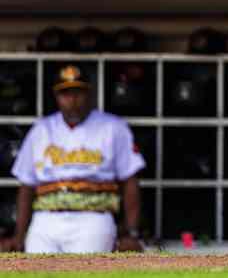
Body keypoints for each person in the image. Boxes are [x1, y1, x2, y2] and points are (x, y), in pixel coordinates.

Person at [5, 65, 145, 253]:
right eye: (65, 94)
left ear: (89, 94)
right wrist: (19, 235)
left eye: (78, 93)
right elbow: (26, 187)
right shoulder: (41, 129)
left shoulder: (113, 127)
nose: (72, 100)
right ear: (56, 97)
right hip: (45, 219)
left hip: (93, 218)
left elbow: (130, 182)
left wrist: (132, 233)